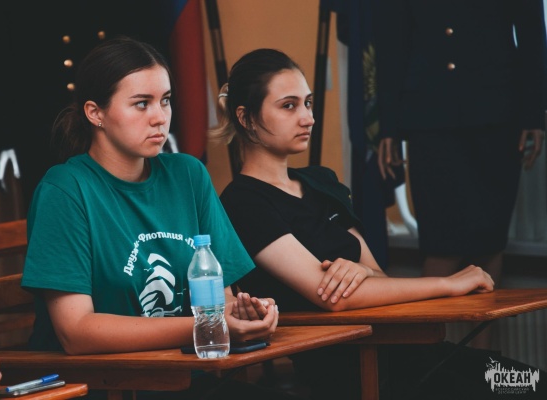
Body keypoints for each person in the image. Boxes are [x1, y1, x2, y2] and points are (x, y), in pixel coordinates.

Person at [210, 48, 531, 399]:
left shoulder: (321, 181)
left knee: (529, 382)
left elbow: (379, 279)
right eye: (289, 106)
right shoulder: (242, 202)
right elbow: (332, 297)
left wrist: (362, 271)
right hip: (355, 369)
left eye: (308, 103)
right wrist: (449, 283)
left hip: (406, 351)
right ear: (246, 118)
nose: (308, 118)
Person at [20, 36, 298, 400]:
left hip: (185, 379)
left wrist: (248, 313)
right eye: (141, 104)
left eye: (165, 100)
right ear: (95, 113)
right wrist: (205, 326)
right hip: (104, 387)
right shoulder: (65, 189)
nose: (160, 117)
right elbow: (76, 332)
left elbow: (221, 298)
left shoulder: (188, 174)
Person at [374, 0, 547, 285]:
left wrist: (534, 115)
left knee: (489, 244)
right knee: (441, 246)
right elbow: (391, 42)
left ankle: (483, 318)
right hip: (431, 119)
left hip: (496, 115)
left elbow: (532, 32)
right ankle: (430, 317)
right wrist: (388, 127)